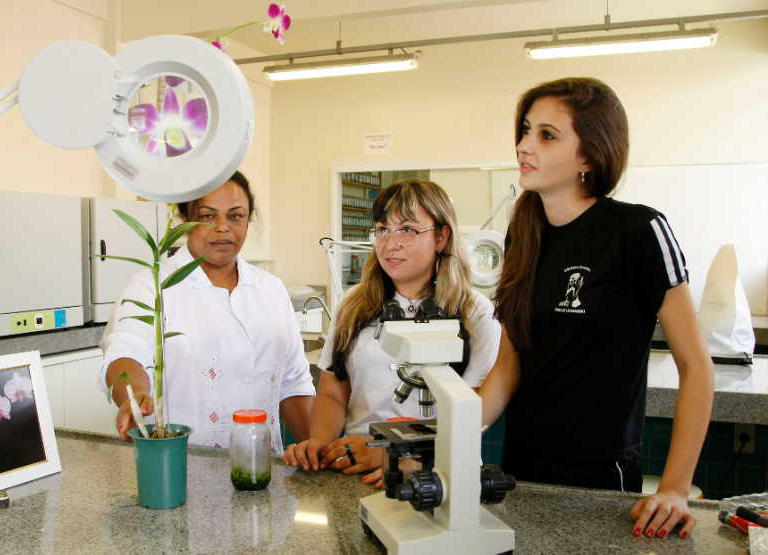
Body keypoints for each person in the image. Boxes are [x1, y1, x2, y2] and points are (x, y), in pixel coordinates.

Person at [479, 77, 714, 539]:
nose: (525, 146)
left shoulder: (638, 232)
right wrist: (442, 437)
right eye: (526, 130)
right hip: (521, 466)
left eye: (547, 135)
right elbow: (508, 367)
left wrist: (674, 488)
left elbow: (696, 367)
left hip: (602, 476)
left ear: (589, 154)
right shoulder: (523, 237)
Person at [284, 179, 501, 487]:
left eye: (407, 230)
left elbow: (475, 410)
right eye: (382, 230)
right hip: (358, 468)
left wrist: (400, 459)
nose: (390, 244)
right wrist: (320, 441)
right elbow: (333, 391)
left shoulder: (475, 313)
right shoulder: (354, 304)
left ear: (441, 237)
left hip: (441, 474)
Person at [97, 172, 315, 454]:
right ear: (184, 219)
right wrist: (133, 394)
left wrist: (320, 450)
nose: (222, 227)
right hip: (184, 468)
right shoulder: (152, 284)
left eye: (235, 216)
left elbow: (293, 383)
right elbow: (124, 353)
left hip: (263, 467)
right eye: (208, 216)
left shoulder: (271, 288)